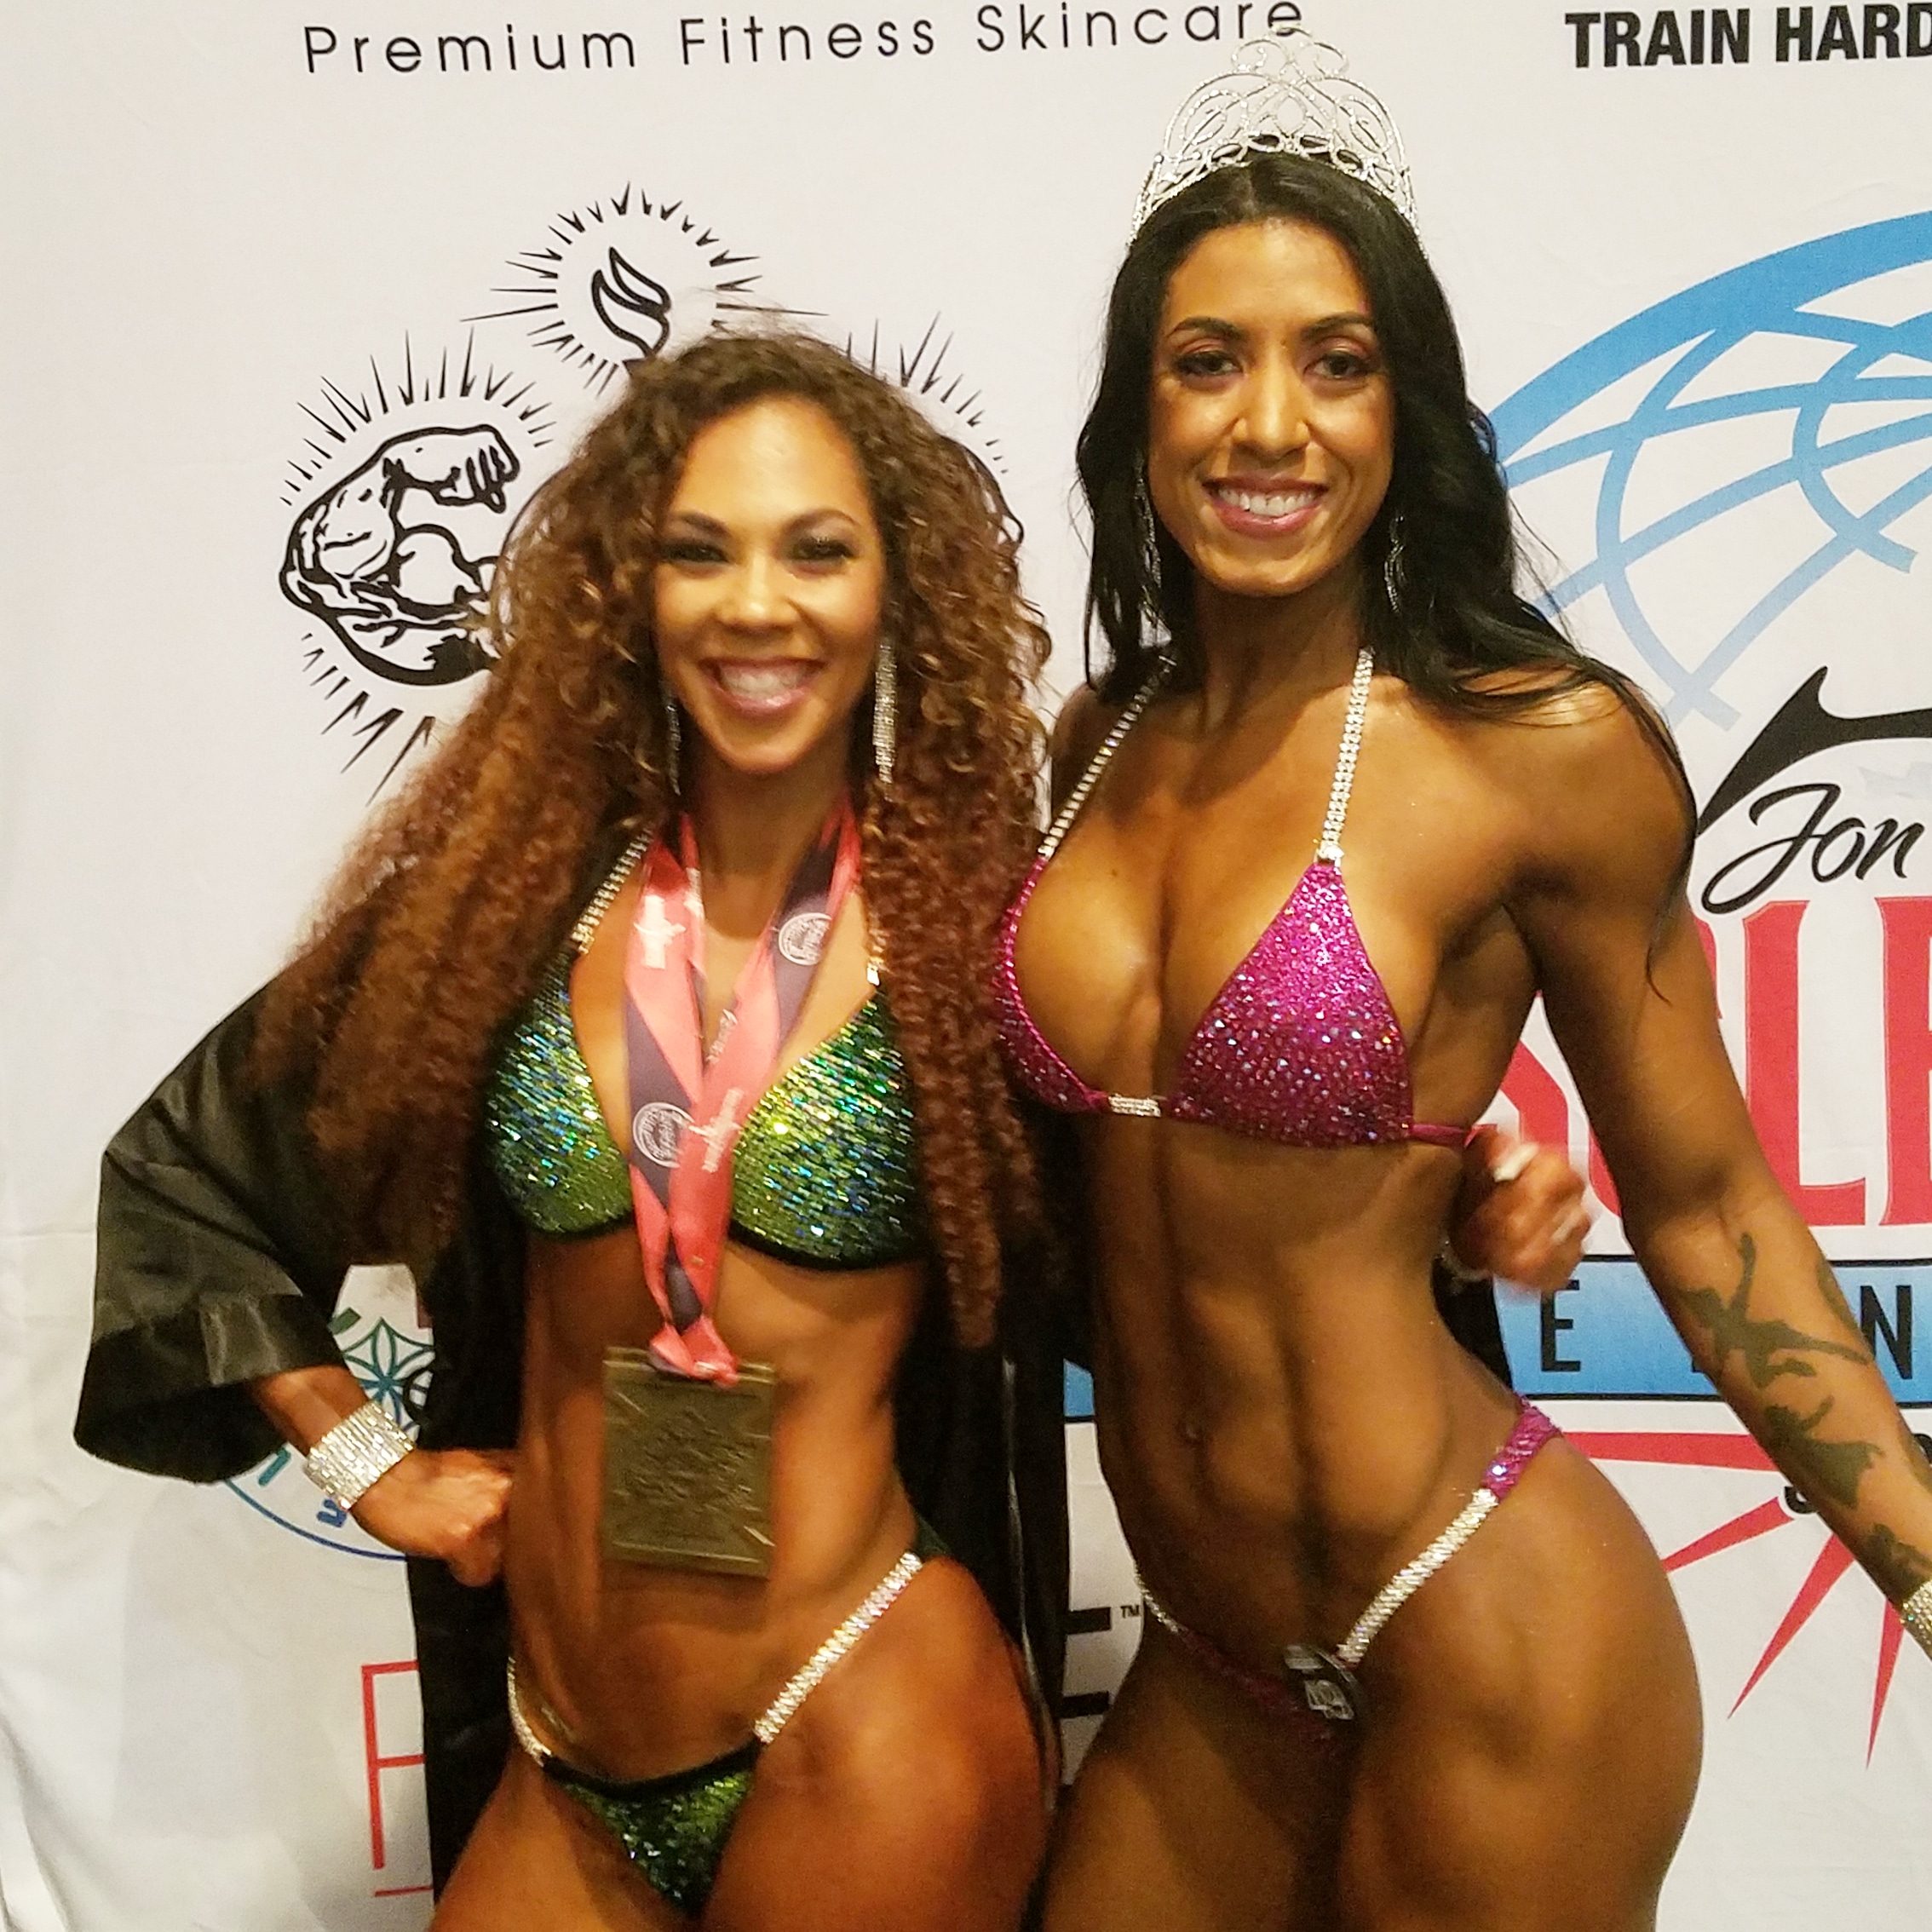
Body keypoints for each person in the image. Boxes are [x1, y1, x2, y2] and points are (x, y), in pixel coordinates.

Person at [76, 325, 1580, 1928]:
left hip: (864, 1722)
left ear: (895, 594)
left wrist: (1446, 1204)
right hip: (565, 1750)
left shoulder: (984, 949)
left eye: (816, 551)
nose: (758, 605)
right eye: (700, 552)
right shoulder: (501, 921)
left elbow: (1193, 1215)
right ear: (629, 594)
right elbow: (194, 1173)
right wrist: (366, 1457)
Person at [1004, 37, 1932, 1932]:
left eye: (1338, 363)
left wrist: (1921, 1558)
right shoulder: (1091, 745)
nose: (1273, 425)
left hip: (1484, 1621)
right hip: (1210, 1657)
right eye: (1211, 361)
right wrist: (1457, 1193)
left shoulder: (1542, 749)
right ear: (1138, 409)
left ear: (1407, 405)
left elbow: (1708, 1201)